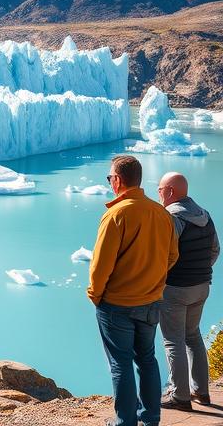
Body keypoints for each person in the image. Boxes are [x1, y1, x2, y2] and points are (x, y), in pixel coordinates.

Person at [87, 155, 178, 426]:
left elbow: (100, 265)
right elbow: (172, 256)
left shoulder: (116, 214)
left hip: (116, 304)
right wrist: (153, 281)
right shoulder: (161, 213)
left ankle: (124, 421)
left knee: (121, 363)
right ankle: (151, 418)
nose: (109, 182)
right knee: (147, 359)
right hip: (151, 301)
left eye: (109, 177)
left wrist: (95, 295)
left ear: (117, 180)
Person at [157, 172, 219, 410]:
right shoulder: (205, 215)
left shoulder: (171, 219)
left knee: (173, 341)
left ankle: (180, 396)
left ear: (170, 192)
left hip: (175, 288)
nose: (159, 193)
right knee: (193, 336)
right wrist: (198, 272)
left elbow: (163, 256)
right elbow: (214, 251)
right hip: (202, 286)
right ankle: (201, 392)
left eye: (160, 189)